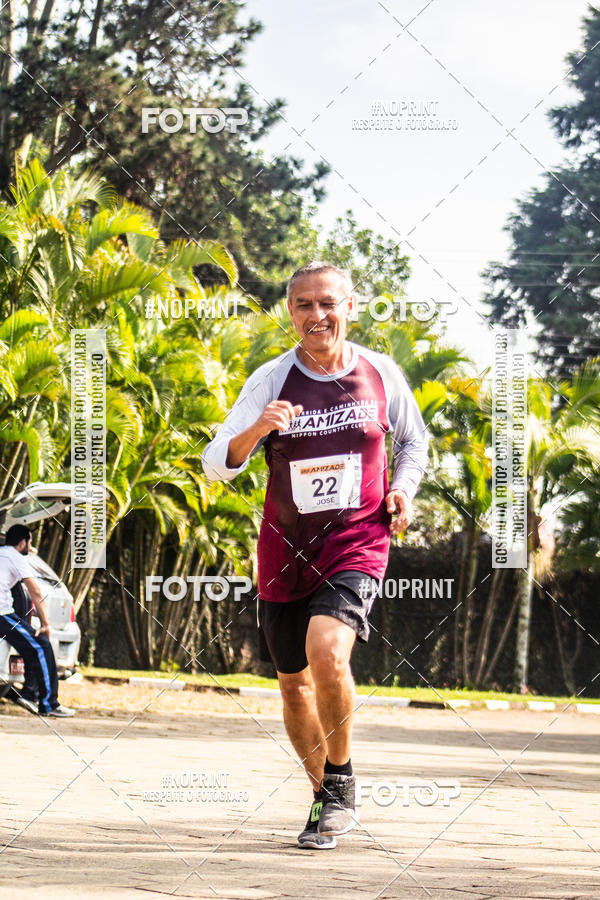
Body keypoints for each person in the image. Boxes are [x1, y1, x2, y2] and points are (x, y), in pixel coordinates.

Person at [202, 261, 428, 848]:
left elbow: (412, 440)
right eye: (303, 304)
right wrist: (256, 431)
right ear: (290, 312)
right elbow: (217, 461)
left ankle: (342, 779)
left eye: (327, 303)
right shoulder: (273, 379)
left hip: (357, 540)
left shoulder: (380, 373)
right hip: (284, 551)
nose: (316, 315)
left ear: (350, 307)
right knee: (293, 685)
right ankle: (323, 799)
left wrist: (402, 489)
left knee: (327, 652)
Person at [0, 524, 75, 717]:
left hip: (5, 614)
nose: (31, 546)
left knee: (32, 647)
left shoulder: (3, 554)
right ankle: (49, 704)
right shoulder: (15, 556)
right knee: (42, 645)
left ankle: (29, 693)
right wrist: (46, 624)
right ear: (23, 542)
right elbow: (35, 591)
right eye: (30, 542)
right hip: (2, 615)